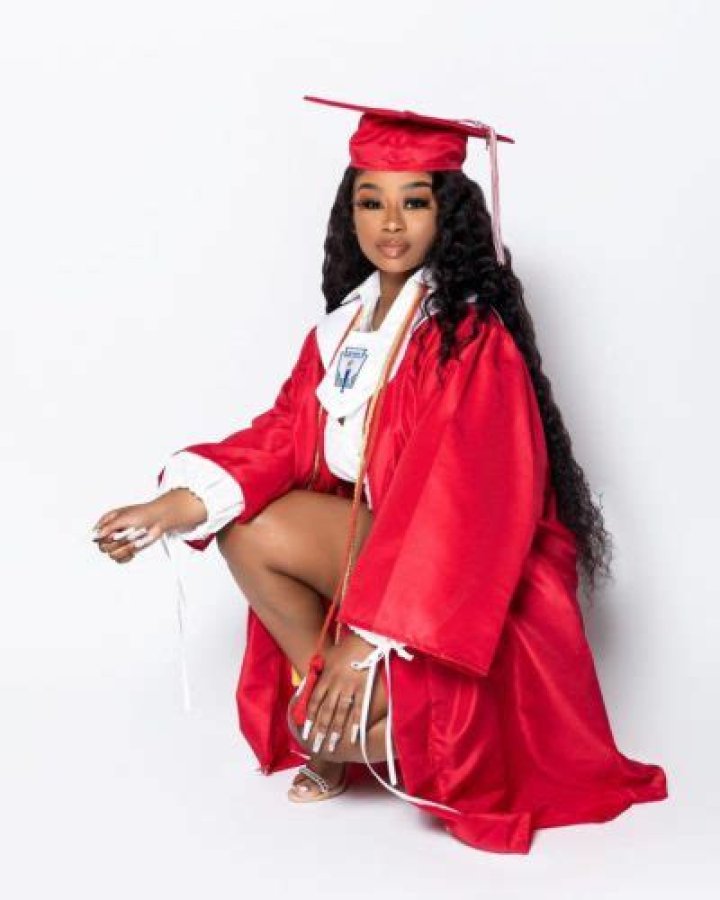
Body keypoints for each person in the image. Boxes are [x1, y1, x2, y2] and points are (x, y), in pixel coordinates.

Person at [91, 96, 668, 853]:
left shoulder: (467, 337)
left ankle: (357, 700)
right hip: (385, 550)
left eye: (414, 202)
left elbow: (466, 508)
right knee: (250, 528)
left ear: (446, 215)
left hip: (463, 579)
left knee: (388, 738)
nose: (390, 224)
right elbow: (287, 435)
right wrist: (172, 506)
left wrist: (370, 641)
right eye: (372, 201)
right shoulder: (343, 331)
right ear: (350, 213)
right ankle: (327, 697)